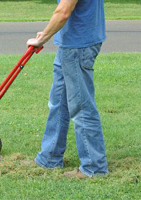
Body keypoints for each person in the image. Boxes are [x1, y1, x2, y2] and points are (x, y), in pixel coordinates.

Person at [27, 0, 108, 178]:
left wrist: (43, 38)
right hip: (70, 44)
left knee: (81, 107)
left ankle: (94, 167)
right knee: (59, 103)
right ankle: (50, 157)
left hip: (78, 47)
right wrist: (48, 32)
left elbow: (63, 12)